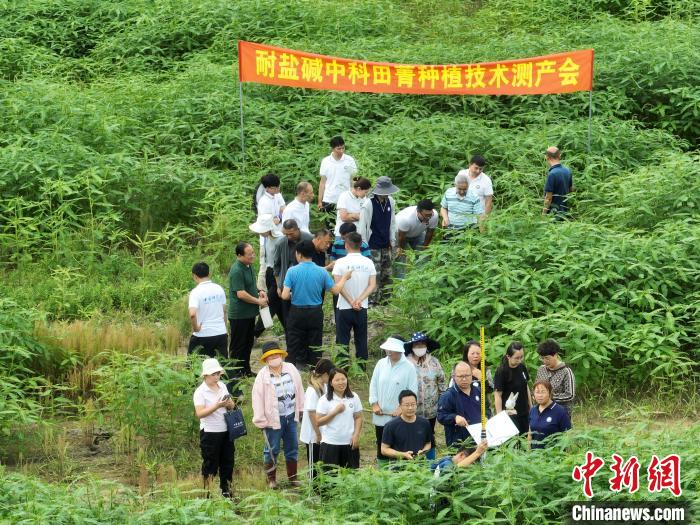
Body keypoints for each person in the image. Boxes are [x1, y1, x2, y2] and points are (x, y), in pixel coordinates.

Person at [281, 240, 352, 368]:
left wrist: (294, 294)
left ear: (299, 254)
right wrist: (344, 278)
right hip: (315, 312)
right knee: (315, 342)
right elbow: (335, 291)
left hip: (297, 311)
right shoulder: (321, 271)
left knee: (293, 341)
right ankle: (315, 368)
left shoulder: (292, 271)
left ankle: (291, 368)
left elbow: (285, 295)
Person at [252, 342, 305, 489]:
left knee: (292, 447)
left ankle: (293, 478)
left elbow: (299, 389)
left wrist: (301, 409)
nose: (274, 357)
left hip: (291, 416)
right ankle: (271, 479)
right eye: (271, 356)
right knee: (272, 449)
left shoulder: (291, 369)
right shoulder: (262, 376)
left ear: (281, 355)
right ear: (266, 359)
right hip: (273, 419)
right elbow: (257, 398)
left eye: (276, 354)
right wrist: (260, 419)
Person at [368, 336, 418, 461]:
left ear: (400, 350)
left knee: (399, 446)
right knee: (381, 444)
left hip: (400, 416)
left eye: (392, 349)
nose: (389, 352)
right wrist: (374, 404)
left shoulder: (409, 367)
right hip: (381, 413)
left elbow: (412, 391)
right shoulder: (381, 364)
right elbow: (373, 384)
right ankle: (382, 469)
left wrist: (401, 409)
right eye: (387, 349)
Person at [333, 232, 376, 368]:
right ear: (361, 245)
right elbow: (372, 285)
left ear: (346, 245)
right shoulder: (369, 262)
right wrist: (359, 300)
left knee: (342, 341)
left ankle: (342, 369)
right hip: (361, 307)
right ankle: (362, 369)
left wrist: (351, 301)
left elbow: (337, 285)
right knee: (361, 339)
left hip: (344, 307)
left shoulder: (340, 262)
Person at [193, 358, 235, 497]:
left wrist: (229, 404)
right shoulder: (200, 392)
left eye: (218, 374)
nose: (217, 377)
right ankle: (208, 493)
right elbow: (200, 413)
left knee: (228, 462)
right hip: (210, 432)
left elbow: (232, 405)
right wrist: (217, 406)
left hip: (226, 430)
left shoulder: (222, 386)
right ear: (205, 375)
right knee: (210, 464)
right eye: (213, 374)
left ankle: (226, 491)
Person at [358, 176, 399, 305]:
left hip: (386, 242)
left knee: (387, 272)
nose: (386, 194)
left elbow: (393, 222)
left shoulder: (391, 201)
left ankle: (387, 299)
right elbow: (362, 227)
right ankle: (372, 300)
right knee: (374, 273)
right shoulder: (368, 204)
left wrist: (393, 240)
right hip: (372, 243)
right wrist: (363, 245)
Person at [228, 242, 267, 377]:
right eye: (249, 254)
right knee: (238, 345)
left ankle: (246, 370)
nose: (253, 256)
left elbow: (250, 284)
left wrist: (260, 290)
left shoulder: (248, 266)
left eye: (253, 253)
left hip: (250, 313)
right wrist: (258, 301)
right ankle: (234, 373)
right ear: (239, 255)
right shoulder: (236, 270)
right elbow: (241, 293)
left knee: (248, 343)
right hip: (239, 315)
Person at [316, 368, 363, 470]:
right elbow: (318, 422)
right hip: (330, 444)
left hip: (349, 443)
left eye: (343, 379)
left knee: (351, 475)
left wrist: (356, 435)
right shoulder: (324, 400)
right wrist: (335, 412)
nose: (341, 382)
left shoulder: (354, 397)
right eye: (337, 380)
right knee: (330, 476)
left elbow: (358, 417)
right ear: (331, 383)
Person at [404, 332, 446, 447]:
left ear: (427, 346)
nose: (420, 347)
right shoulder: (406, 363)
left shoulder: (434, 362)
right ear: (412, 347)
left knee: (429, 433)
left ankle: (430, 453)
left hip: (431, 409)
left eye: (422, 344)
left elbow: (442, 383)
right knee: (411, 434)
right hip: (411, 408)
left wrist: (442, 402)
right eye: (417, 345)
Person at [437, 361, 489, 448]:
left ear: (472, 375)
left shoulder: (478, 390)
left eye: (467, 376)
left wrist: (487, 416)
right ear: (454, 377)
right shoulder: (448, 395)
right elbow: (441, 416)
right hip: (459, 441)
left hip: (479, 437)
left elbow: (487, 408)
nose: (464, 379)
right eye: (460, 376)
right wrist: (454, 418)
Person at [273, 219, 313, 331]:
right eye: (286, 234)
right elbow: (276, 266)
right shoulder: (281, 243)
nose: (289, 236)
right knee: (288, 315)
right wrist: (278, 286)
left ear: (298, 229)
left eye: (291, 233)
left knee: (305, 314)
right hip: (287, 283)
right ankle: (290, 337)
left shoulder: (309, 238)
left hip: (306, 282)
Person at [299, 358, 335, 480]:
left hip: (321, 433)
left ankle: (320, 486)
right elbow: (311, 414)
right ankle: (312, 487)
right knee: (313, 464)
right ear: (324, 374)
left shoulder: (324, 386)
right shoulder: (312, 390)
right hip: (312, 434)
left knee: (321, 462)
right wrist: (318, 434)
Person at [250, 215, 284, 333]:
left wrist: (279, 284)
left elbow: (282, 263)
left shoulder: (280, 239)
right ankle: (289, 331)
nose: (260, 233)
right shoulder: (267, 238)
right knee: (278, 305)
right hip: (269, 273)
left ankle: (255, 333)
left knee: (269, 303)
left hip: (278, 275)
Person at [188, 262, 228, 358]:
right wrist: (224, 327)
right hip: (221, 333)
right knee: (221, 364)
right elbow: (224, 311)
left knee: (195, 363)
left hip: (203, 335)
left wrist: (196, 328)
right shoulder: (219, 289)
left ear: (194, 276)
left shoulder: (195, 292)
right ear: (209, 273)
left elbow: (192, 314)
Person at [380, 390, 433, 461]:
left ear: (416, 405)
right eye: (407, 405)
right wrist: (402, 455)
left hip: (420, 464)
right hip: (399, 465)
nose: (410, 408)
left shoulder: (425, 423)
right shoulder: (391, 426)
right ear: (400, 406)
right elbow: (384, 449)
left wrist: (423, 451)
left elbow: (428, 443)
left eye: (413, 404)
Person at [318, 136, 358, 227]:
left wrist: (355, 195)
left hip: (346, 198)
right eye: (338, 149)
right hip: (329, 199)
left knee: (346, 227)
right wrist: (320, 201)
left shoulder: (349, 160)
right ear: (332, 148)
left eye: (343, 148)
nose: (341, 151)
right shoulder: (326, 161)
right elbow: (322, 182)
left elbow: (354, 179)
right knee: (330, 226)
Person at [493, 341, 532, 436]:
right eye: (516, 358)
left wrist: (531, 406)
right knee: (514, 440)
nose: (519, 360)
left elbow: (526, 386)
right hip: (510, 413)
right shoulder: (501, 371)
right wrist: (500, 416)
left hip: (524, 411)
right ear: (508, 356)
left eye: (521, 357)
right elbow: (497, 395)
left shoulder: (522, 367)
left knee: (526, 437)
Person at [256, 173, 286, 288]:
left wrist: (278, 218)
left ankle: (277, 286)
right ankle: (261, 290)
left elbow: (284, 208)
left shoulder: (277, 195)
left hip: (278, 234)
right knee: (265, 265)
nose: (278, 189)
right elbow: (268, 222)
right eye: (275, 187)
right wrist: (278, 218)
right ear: (267, 188)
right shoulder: (264, 202)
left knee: (277, 262)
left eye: (278, 186)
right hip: (267, 237)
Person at [395, 200, 438, 278]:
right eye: (426, 215)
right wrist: (400, 248)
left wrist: (425, 246)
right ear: (418, 212)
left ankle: (422, 277)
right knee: (400, 256)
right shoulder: (406, 219)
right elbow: (401, 237)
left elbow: (430, 232)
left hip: (418, 233)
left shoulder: (434, 215)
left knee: (424, 255)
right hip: (399, 234)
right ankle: (401, 280)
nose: (428, 218)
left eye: (430, 215)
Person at [535, 339, 576, 419]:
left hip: (560, 412)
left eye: (547, 358)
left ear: (555, 355)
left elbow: (570, 395)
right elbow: (536, 387)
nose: (544, 361)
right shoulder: (541, 369)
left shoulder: (566, 371)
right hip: (542, 410)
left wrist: (550, 397)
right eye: (542, 358)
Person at [529, 380, 571, 449]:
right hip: (535, 454)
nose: (540, 395)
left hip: (553, 453)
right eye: (537, 392)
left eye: (543, 392)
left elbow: (568, 435)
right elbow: (530, 434)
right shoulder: (533, 410)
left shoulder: (560, 411)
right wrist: (529, 451)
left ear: (550, 393)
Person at [542, 146, 573, 217]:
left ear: (547, 157)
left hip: (553, 214)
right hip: (566, 213)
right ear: (559, 156)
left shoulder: (552, 174)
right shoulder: (568, 171)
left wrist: (543, 215)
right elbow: (571, 190)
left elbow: (548, 198)